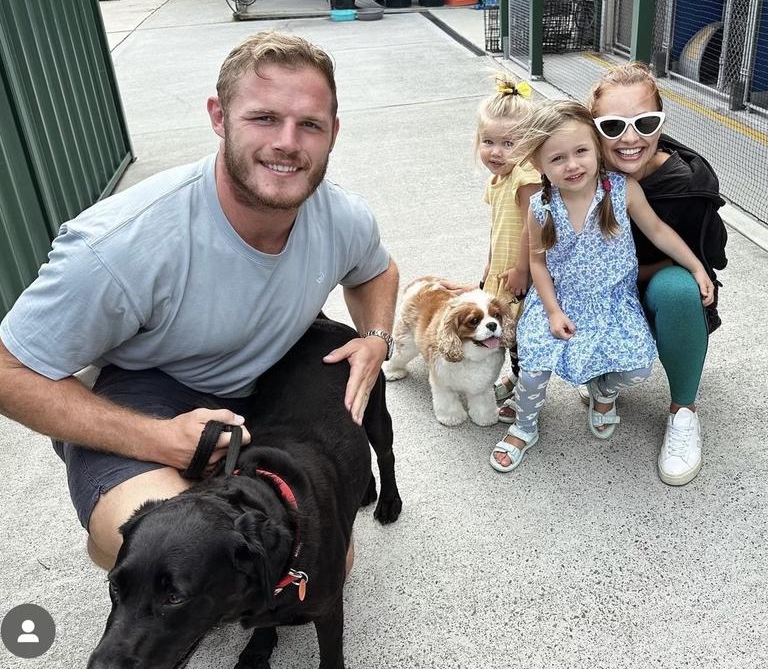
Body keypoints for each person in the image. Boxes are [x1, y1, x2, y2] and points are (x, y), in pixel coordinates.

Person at [0, 30, 399, 570]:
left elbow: (376, 271)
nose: (287, 142)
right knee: (161, 550)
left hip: (267, 388)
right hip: (148, 391)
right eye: (263, 118)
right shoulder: (120, 245)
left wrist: (375, 338)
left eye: (309, 125)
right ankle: (112, 521)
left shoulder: (341, 216)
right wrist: (159, 439)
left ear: (333, 133)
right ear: (219, 116)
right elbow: (8, 369)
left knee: (321, 563)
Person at [490, 101, 714, 474]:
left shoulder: (620, 190)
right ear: (537, 164)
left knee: (638, 368)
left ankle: (603, 390)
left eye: (581, 151)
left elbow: (657, 230)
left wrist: (695, 265)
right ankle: (523, 426)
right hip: (559, 301)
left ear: (596, 148)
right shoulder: (541, 206)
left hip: (612, 302)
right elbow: (537, 263)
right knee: (534, 367)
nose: (572, 165)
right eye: (557, 158)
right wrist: (552, 310)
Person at [588, 62, 727, 486]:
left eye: (645, 122)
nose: (630, 138)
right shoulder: (575, 169)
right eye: (613, 126)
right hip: (597, 294)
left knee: (679, 289)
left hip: (650, 292)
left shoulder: (685, 185)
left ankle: (683, 412)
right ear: (592, 128)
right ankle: (600, 377)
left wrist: (655, 268)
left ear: (661, 123)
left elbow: (708, 261)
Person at [476, 76, 540, 406]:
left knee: (523, 339)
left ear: (529, 146)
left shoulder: (525, 175)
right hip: (502, 274)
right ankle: (517, 378)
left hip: (523, 276)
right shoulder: (497, 179)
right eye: (488, 141)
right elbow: (496, 226)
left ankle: (527, 395)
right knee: (507, 335)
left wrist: (521, 270)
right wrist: (489, 264)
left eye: (509, 144)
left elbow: (535, 222)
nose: (496, 152)